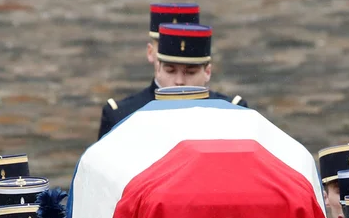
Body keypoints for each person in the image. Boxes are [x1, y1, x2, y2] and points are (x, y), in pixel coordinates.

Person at [98, 21, 247, 139]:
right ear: (158, 69)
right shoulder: (123, 116)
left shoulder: (231, 114)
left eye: (190, 72)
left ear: (207, 72)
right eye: (170, 71)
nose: (179, 81)